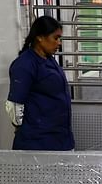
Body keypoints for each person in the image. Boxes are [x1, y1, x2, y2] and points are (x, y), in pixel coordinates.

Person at [5, 15, 74, 150]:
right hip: (38, 141)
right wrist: (24, 128)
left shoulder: (49, 60)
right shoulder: (25, 64)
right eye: (55, 38)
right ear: (40, 37)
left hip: (59, 137)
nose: (59, 43)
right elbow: (14, 105)